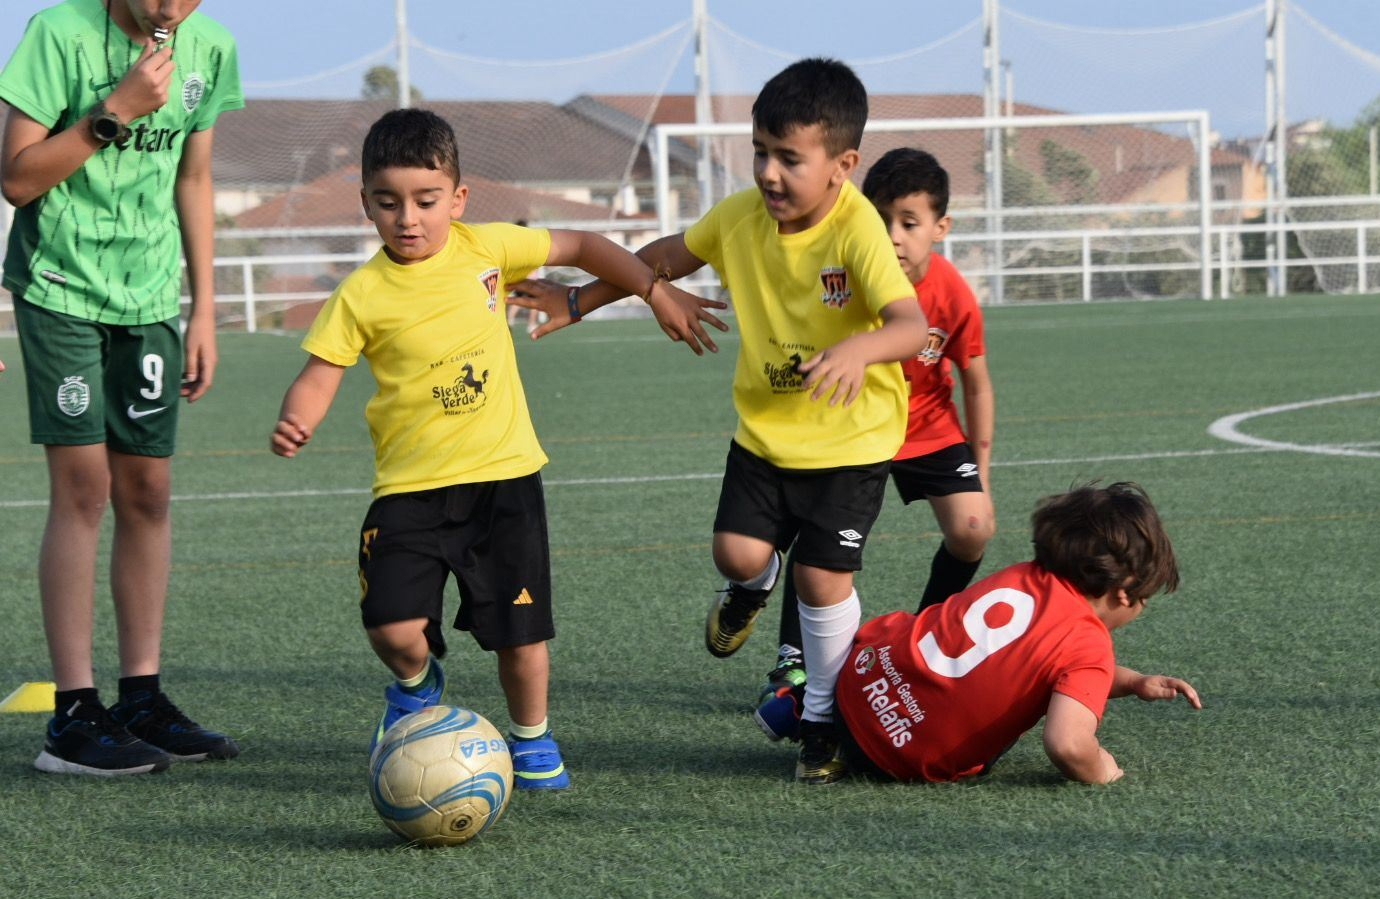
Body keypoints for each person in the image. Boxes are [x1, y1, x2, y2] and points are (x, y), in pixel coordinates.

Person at [269, 108, 725, 790]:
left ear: (458, 199)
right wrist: (295, 419)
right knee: (393, 628)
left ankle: (532, 736)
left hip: (504, 481)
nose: (408, 218)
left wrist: (653, 290)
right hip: (408, 490)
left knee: (522, 636)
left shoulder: (486, 247)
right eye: (389, 202)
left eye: (426, 201)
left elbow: (585, 243)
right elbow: (320, 371)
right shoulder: (360, 293)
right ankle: (418, 686)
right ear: (365, 201)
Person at [507, 58, 927, 784]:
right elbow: (665, 258)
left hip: (851, 442)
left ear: (843, 166)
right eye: (760, 151)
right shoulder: (740, 218)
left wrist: (859, 347)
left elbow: (909, 324)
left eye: (789, 158)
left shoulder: (858, 229)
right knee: (736, 553)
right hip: (765, 435)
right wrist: (578, 301)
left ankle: (823, 719)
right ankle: (749, 589)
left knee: (823, 579)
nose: (768, 171)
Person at [1, 0, 242, 776]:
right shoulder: (57, 33)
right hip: (60, 290)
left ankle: (141, 697)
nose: (169, 7)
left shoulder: (212, 47)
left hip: (149, 304)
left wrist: (202, 308)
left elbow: (195, 178)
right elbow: (17, 178)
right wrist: (113, 112)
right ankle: (72, 717)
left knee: (149, 493)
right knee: (84, 489)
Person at [757, 482, 1202, 785]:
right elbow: (1067, 744)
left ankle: (799, 707)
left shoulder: (1024, 575)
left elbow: (1034, 661)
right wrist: (1100, 767)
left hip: (853, 687)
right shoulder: (1089, 644)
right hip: (901, 757)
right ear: (1125, 594)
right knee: (1004, 718)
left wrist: (1135, 682)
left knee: (916, 631)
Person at [758, 147, 997, 707]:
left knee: (973, 528)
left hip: (928, 428)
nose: (892, 236)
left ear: (940, 227)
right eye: (881, 218)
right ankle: (793, 660)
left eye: (908, 223)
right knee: (818, 539)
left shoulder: (954, 293)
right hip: (852, 425)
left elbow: (977, 383)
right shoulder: (845, 277)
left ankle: (923, 639)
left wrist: (982, 475)